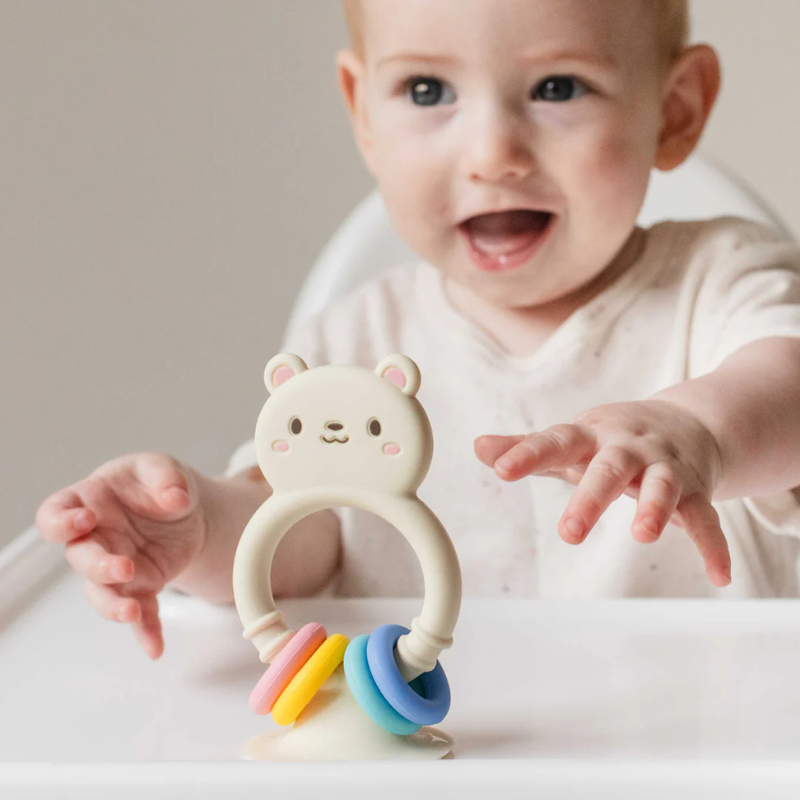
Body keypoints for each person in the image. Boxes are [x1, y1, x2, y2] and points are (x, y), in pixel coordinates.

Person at [35, 0, 800, 660]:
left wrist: (698, 433)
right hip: (429, 744)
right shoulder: (357, 341)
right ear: (363, 112)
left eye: (557, 87)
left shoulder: (724, 279)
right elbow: (298, 537)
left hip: (700, 738)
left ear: (675, 108)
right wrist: (196, 531)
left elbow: (787, 385)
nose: (493, 154)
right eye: (427, 90)